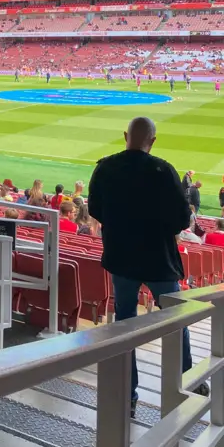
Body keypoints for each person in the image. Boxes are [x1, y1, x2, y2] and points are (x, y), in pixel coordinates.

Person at [88, 116, 208, 415]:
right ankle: (187, 383)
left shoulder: (105, 167)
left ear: (125, 135)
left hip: (121, 258)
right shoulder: (164, 170)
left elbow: (94, 209)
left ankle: (127, 395)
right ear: (152, 141)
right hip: (159, 261)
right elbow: (182, 219)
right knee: (175, 321)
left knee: (124, 325)